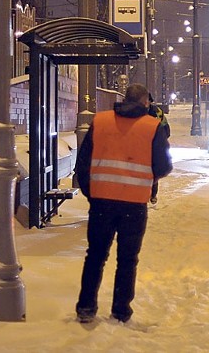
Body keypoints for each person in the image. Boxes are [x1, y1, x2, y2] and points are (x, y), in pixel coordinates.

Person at [75, 84, 172, 324]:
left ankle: (86, 308)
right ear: (144, 102)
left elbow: (83, 162)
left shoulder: (101, 121)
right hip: (134, 205)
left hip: (101, 203)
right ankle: (120, 310)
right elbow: (163, 166)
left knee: (95, 255)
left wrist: (92, 192)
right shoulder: (152, 127)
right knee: (127, 259)